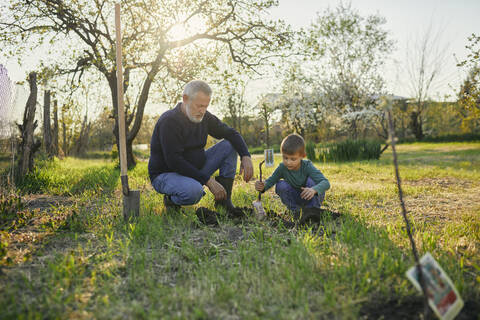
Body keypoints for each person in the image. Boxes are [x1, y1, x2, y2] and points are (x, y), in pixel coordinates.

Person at [148, 80, 253, 211]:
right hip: (166, 174)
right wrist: (207, 180)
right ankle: (171, 200)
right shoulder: (169, 121)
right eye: (199, 106)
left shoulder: (204, 117)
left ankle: (224, 203)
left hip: (195, 169)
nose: (203, 111)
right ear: (185, 99)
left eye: (206, 106)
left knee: (229, 145)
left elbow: (231, 133)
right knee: (194, 192)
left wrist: (245, 155)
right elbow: (174, 161)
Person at [255, 134, 330, 217]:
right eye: (285, 158)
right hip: (296, 197)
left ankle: (312, 211)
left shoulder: (307, 166)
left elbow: (326, 183)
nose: (288, 162)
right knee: (281, 185)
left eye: (293, 159)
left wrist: (314, 190)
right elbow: (271, 181)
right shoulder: (282, 168)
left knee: (311, 181)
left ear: (302, 156)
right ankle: (295, 211)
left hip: (312, 196)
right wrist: (262, 186)